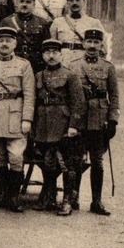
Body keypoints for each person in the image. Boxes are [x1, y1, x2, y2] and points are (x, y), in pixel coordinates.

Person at [0, 25, 36, 211]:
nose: (4, 44)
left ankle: (14, 198)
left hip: (16, 113)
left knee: (15, 156)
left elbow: (30, 94)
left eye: (8, 41)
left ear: (15, 43)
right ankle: (2, 197)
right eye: (1, 41)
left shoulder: (24, 65)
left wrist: (27, 119)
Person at [31, 38, 85, 214]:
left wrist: (73, 126)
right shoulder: (38, 76)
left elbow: (78, 103)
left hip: (62, 125)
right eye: (47, 53)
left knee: (66, 165)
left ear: (61, 55)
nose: (51, 56)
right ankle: (49, 197)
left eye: (55, 52)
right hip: (43, 126)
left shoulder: (70, 75)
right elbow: (34, 102)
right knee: (47, 163)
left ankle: (67, 201)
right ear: (43, 55)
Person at [75, 28, 120, 215]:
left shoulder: (108, 67)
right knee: (76, 160)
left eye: (96, 43)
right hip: (79, 119)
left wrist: (113, 120)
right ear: (83, 44)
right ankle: (73, 198)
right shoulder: (73, 65)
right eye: (89, 42)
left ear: (101, 45)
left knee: (97, 161)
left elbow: (114, 96)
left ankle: (96, 202)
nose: (92, 46)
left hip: (99, 119)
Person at [49, 0, 103, 68]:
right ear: (67, 3)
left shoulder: (94, 22)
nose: (74, 3)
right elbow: (52, 47)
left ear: (84, 2)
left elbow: (103, 48)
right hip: (63, 63)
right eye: (71, 0)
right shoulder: (57, 22)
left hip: (84, 63)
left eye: (78, 0)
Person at [3, 0, 51, 67]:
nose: (24, 4)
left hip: (36, 64)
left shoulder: (42, 23)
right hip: (13, 63)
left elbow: (46, 47)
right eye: (21, 1)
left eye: (28, 2)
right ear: (17, 3)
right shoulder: (7, 22)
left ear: (34, 5)